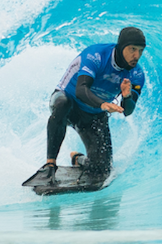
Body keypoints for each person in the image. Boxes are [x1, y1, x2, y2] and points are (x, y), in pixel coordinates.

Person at [26, 26, 148, 188]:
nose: (137, 56)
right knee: (63, 103)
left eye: (140, 51)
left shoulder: (136, 74)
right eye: (132, 49)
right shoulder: (96, 55)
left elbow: (128, 111)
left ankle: (78, 159)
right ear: (121, 46)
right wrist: (103, 104)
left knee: (102, 171)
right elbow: (81, 90)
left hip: (93, 116)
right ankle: (49, 165)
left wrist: (126, 96)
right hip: (67, 104)